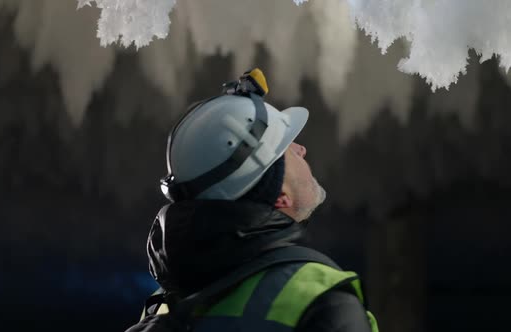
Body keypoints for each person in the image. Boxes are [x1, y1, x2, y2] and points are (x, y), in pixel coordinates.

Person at [127, 69, 378, 332]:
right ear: (278, 195)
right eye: (286, 148)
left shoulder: (161, 309)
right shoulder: (320, 303)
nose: (300, 149)